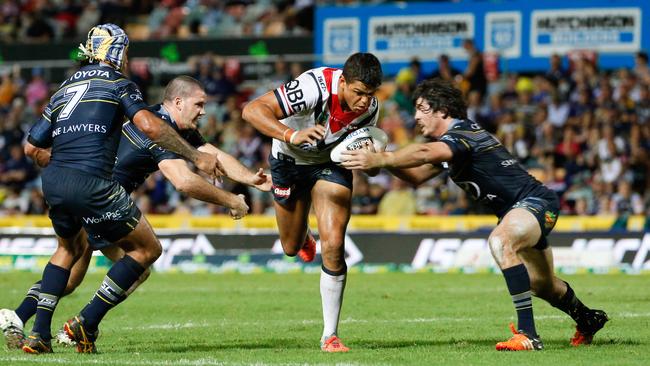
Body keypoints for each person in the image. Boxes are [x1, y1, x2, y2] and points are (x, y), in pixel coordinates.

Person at [0, 75, 271, 350]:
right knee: (141, 259)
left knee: (70, 274)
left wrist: (252, 179)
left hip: (79, 188)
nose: (203, 111)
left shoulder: (157, 119)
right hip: (102, 197)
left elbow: (214, 154)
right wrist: (231, 201)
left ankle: (20, 318)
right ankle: (83, 324)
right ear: (178, 102)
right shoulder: (159, 131)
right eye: (199, 104)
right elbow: (184, 181)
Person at [341, 78, 608, 351]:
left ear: (442, 110)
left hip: (535, 202)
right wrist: (381, 160)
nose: (417, 116)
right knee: (543, 285)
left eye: (422, 108)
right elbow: (417, 175)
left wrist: (384, 159)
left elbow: (422, 152)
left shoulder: (463, 133)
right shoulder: (452, 145)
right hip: (520, 212)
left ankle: (528, 334)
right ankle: (588, 318)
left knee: (501, 242)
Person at [13, 24, 220, 354]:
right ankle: (87, 322)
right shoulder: (119, 83)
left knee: (67, 251)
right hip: (92, 182)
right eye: (125, 51)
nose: (126, 57)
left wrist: (65, 154)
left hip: (53, 181)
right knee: (147, 249)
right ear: (116, 52)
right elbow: (150, 125)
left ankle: (39, 334)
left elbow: (30, 148)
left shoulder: (64, 88)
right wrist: (195, 155)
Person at [242, 52, 383, 352]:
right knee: (291, 247)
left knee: (333, 245)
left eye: (370, 95)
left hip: (331, 165)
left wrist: (372, 162)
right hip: (288, 158)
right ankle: (302, 233)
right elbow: (252, 111)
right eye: (358, 92)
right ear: (342, 81)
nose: (363, 101)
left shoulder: (370, 109)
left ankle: (330, 335)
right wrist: (292, 134)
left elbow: (373, 167)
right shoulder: (313, 86)